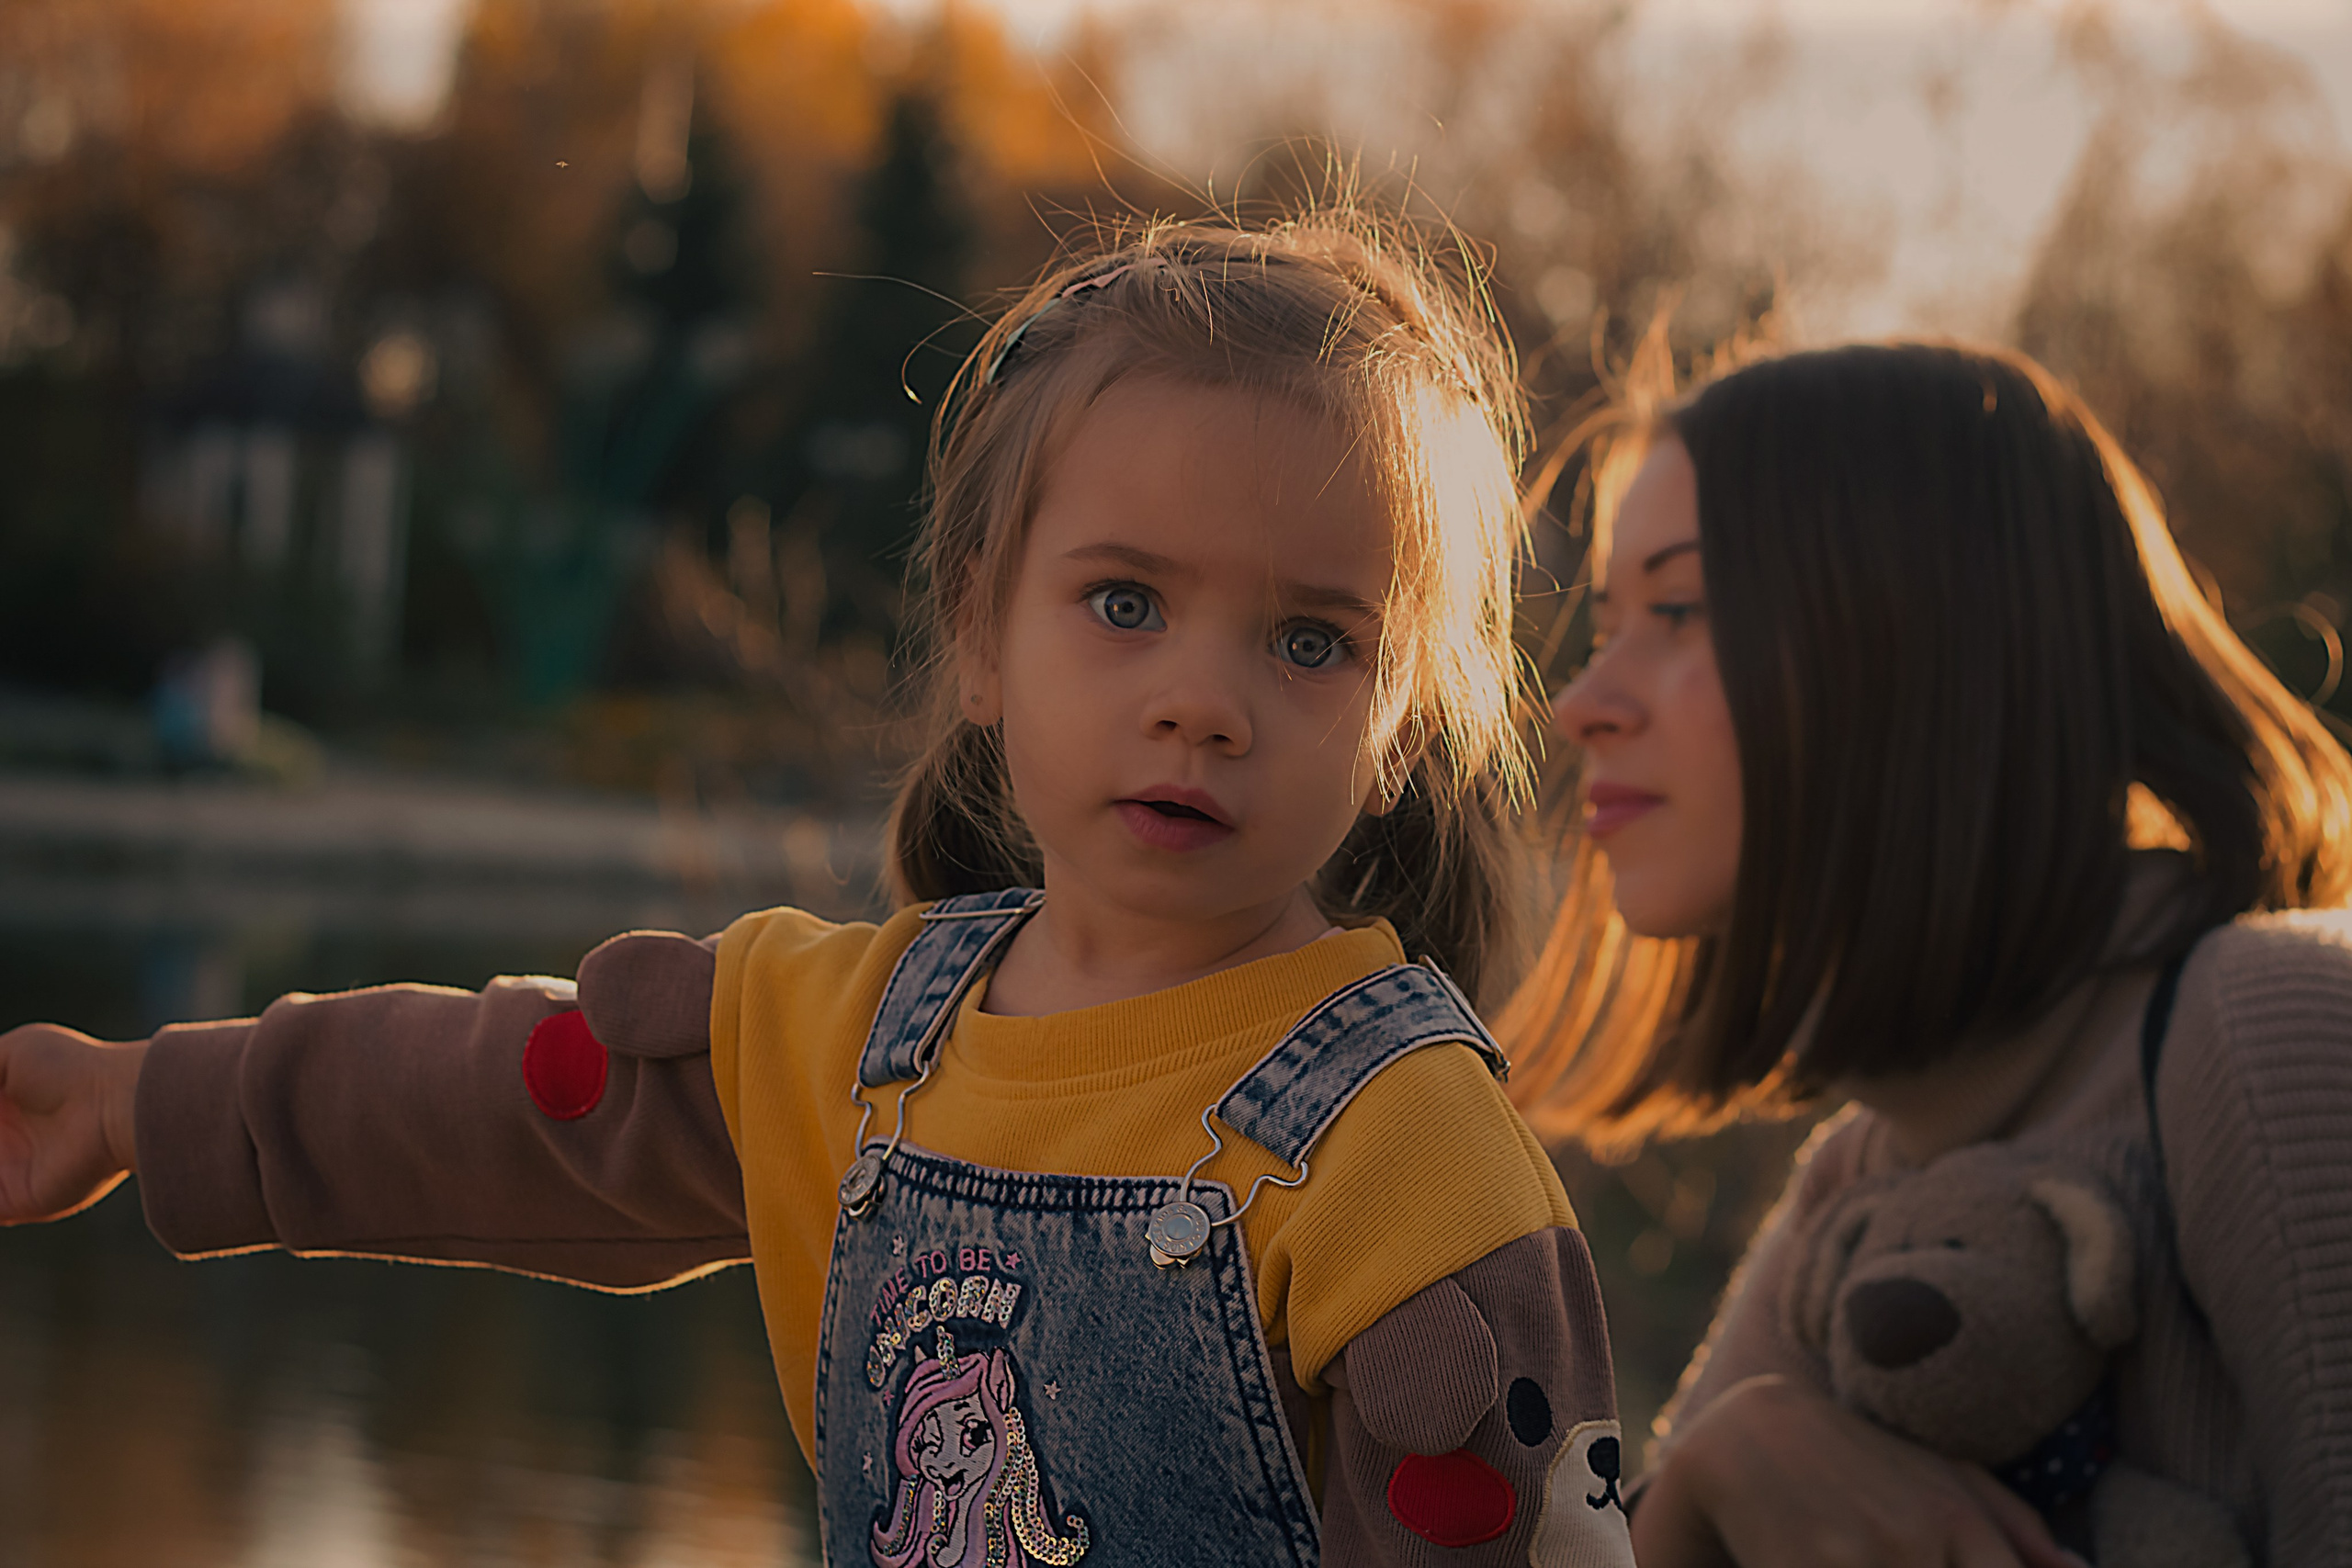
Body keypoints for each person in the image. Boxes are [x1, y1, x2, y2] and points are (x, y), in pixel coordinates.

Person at [0, 212, 1636, 1568]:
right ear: (981, 628)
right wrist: (149, 1101)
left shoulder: (1406, 1154)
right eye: (1126, 601)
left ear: (1401, 714)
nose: (1205, 699)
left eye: (1307, 640)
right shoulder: (851, 1041)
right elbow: (509, 1103)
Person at [1504, 335, 2352, 1567]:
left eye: (1680, 611)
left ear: (1924, 646)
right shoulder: (1860, 1176)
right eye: (1606, 625)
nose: (1581, 704)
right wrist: (1715, 1468)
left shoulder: (2269, 1035)